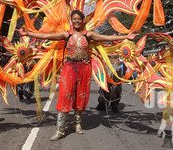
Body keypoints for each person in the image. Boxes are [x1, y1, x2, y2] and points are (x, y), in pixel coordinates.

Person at [19, 9, 136, 141]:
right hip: (69, 68)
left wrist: (125, 37)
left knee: (81, 96)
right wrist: (27, 33)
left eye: (79, 19)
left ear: (83, 21)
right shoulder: (66, 35)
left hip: (84, 68)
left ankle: (77, 124)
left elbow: (108, 38)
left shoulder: (88, 35)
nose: (76, 21)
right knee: (64, 96)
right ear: (71, 21)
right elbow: (46, 36)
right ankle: (60, 129)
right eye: (74, 19)